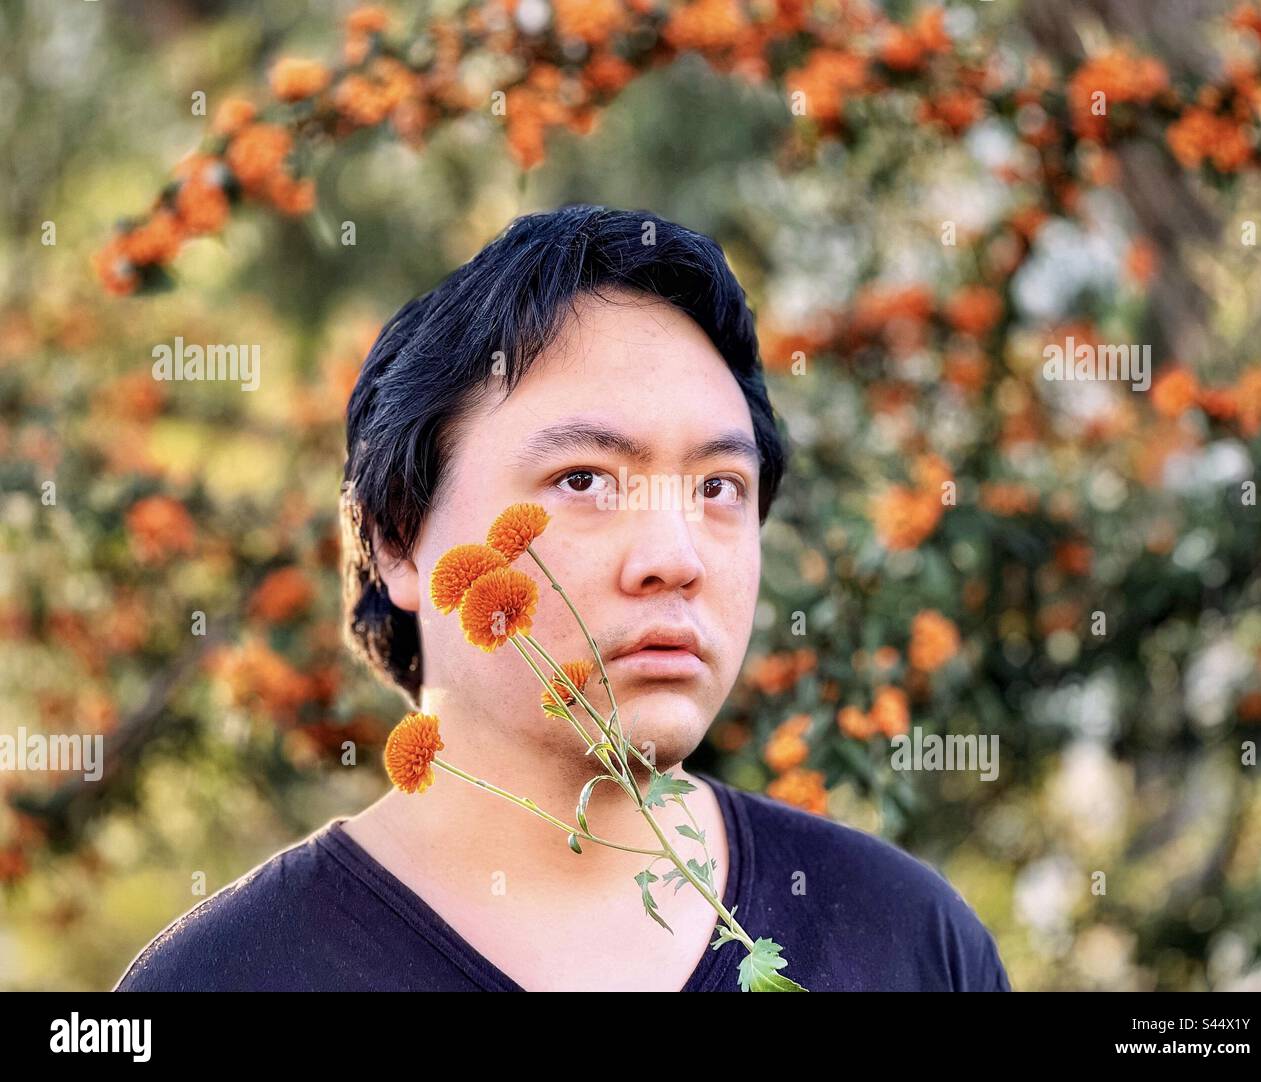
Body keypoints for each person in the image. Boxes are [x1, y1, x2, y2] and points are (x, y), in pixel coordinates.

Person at [114, 204, 1011, 991]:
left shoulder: (909, 942)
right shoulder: (228, 979)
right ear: (396, 540)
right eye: (584, 479)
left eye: (717, 488)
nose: (674, 556)